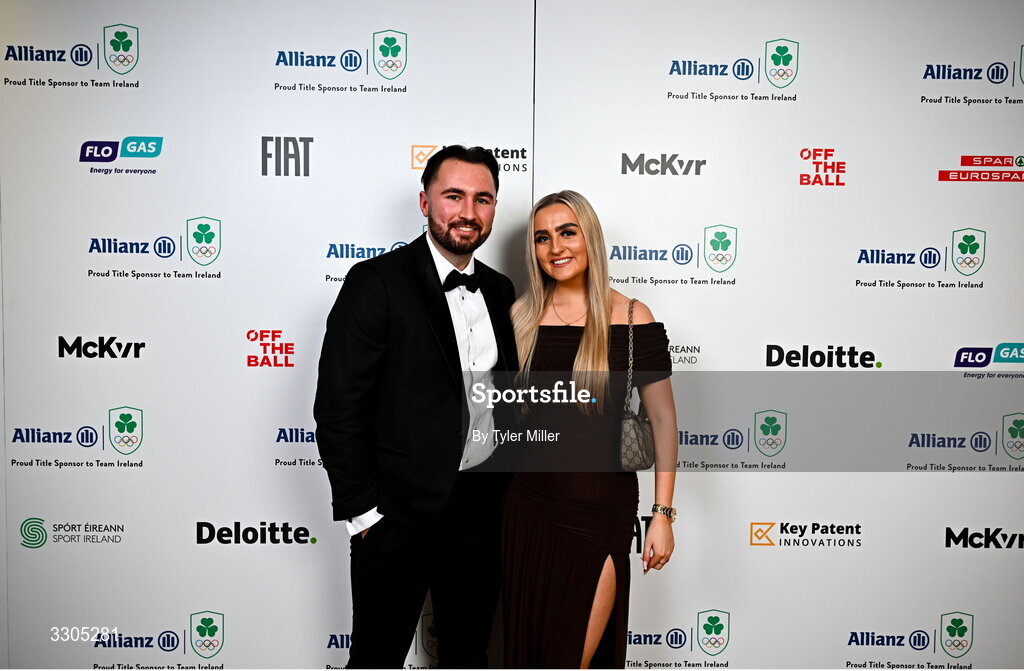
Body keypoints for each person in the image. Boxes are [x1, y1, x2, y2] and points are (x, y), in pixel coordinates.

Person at [313, 145, 519, 668]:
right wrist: (365, 514)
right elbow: (338, 407)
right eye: (454, 196)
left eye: (483, 199)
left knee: (468, 655)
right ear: (425, 202)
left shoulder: (499, 289)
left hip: (480, 511)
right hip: (397, 515)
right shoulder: (375, 282)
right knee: (377, 658)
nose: (468, 212)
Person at [502, 190, 678, 669]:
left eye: (567, 232)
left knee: (570, 659)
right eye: (542, 237)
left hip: (599, 515)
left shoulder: (630, 316)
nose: (555, 246)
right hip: (525, 509)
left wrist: (662, 514)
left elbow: (662, 420)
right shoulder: (518, 319)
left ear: (590, 238)